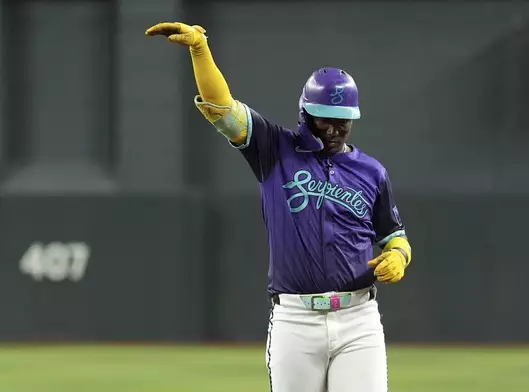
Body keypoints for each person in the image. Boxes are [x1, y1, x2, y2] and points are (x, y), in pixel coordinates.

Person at [146, 22, 413, 392]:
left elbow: (394, 236)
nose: (334, 130)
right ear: (305, 114)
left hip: (358, 318)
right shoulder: (274, 150)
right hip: (295, 322)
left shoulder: (371, 172)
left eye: (342, 122)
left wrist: (398, 256)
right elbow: (222, 109)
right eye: (325, 120)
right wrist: (200, 51)